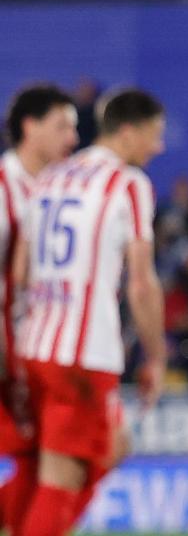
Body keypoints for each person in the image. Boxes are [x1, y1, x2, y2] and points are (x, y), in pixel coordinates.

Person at [13, 89, 167, 536]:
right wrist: (156, 357)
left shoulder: (51, 177)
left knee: (112, 445)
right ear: (128, 130)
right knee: (60, 479)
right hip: (81, 357)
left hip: (36, 345)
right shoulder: (130, 185)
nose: (157, 148)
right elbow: (141, 284)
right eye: (154, 136)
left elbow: (21, 272)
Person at [0, 86, 80, 530]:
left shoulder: (53, 190)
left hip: (37, 358)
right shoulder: (3, 190)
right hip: (8, 358)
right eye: (62, 126)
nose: (72, 138)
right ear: (29, 128)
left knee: (42, 465)